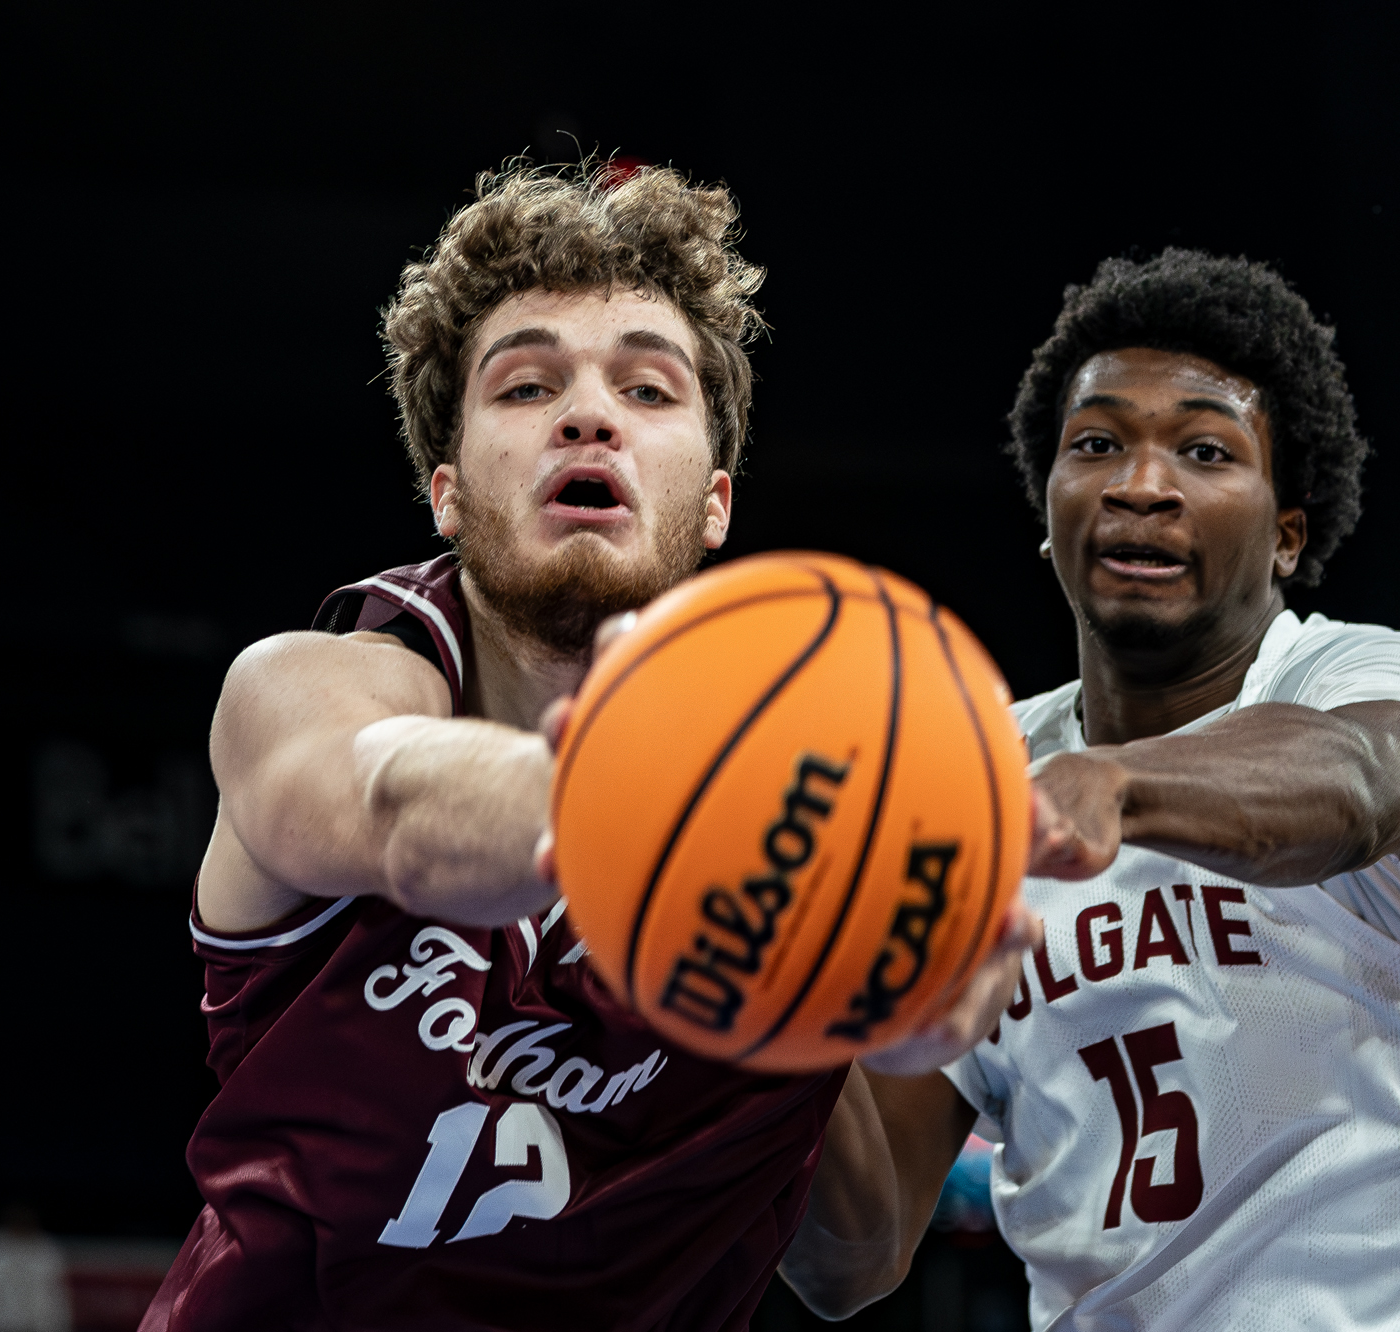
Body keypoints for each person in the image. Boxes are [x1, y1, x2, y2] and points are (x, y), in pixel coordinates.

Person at [140, 162, 1026, 1332]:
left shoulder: (786, 821)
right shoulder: (305, 689)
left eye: (646, 388)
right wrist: (684, 816)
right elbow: (393, 808)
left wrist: (872, 998)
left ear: (713, 505)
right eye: (525, 385)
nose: (588, 414)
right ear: (446, 492)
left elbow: (847, 1265)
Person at [781, 250, 1400, 1330]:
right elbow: (850, 1260)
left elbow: (1366, 780)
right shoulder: (964, 784)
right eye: (1095, 444)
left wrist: (1110, 786)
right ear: (1048, 510)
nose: (1141, 485)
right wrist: (774, 1021)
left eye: (1204, 450)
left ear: (1287, 534)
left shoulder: (1363, 674)